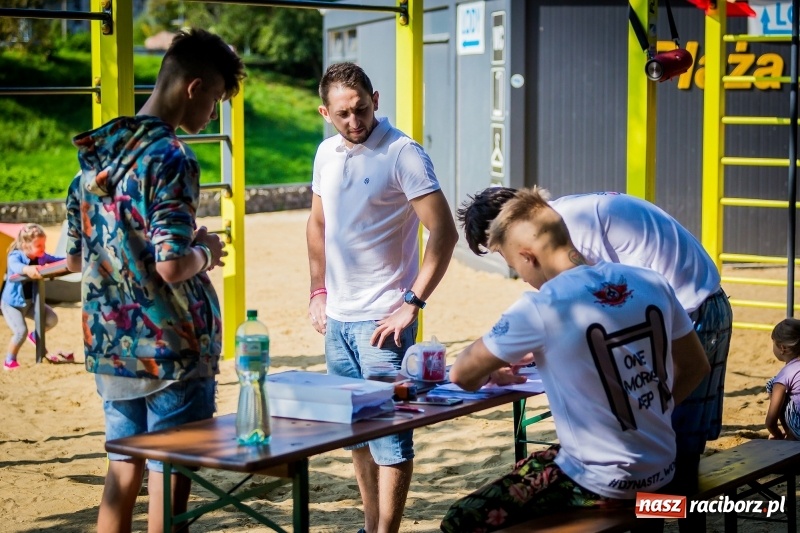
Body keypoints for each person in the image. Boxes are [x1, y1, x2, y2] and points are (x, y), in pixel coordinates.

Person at [441, 187, 710, 532]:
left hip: (604, 483)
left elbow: (463, 373)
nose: (522, 278)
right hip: (660, 468)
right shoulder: (650, 280)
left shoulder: (540, 307)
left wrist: (491, 372)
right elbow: (696, 366)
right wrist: (650, 413)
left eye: (513, 266)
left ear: (527, 256)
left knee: (461, 518)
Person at [65, 28, 244, 533]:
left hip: (110, 345)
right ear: (194, 87)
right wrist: (204, 252)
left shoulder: (94, 157)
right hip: (170, 346)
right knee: (169, 473)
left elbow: (77, 257)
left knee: (123, 469)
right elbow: (170, 265)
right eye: (215, 99)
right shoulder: (172, 157)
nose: (212, 114)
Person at [306, 62, 459, 533]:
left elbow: (444, 232)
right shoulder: (325, 152)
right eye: (343, 114)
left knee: (391, 437)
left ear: (375, 98)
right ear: (325, 113)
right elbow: (317, 224)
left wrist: (413, 301)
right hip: (337, 318)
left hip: (384, 321)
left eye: (362, 109)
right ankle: (371, 526)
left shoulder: (402, 154)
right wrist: (317, 290)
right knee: (357, 433)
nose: (355, 121)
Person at [2, 223, 71, 369]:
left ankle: (35, 336)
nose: (43, 248)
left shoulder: (41, 257)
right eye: (39, 245)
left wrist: (70, 260)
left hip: (31, 302)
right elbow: (16, 267)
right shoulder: (16, 255)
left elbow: (55, 259)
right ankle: (9, 360)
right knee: (20, 331)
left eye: (43, 244)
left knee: (51, 319)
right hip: (12, 304)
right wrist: (27, 269)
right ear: (26, 245)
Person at [765, 318, 800, 440]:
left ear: (782, 348)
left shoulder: (785, 375)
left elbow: (770, 422)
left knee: (772, 384)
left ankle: (790, 433)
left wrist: (777, 435)